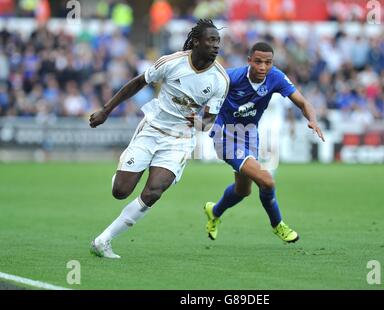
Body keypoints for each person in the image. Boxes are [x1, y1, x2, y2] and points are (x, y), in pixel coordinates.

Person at [89, 19, 229, 258]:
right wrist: (106, 110)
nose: (216, 46)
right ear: (196, 42)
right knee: (120, 191)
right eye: (211, 40)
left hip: (180, 140)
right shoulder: (172, 62)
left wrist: (199, 123)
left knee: (153, 192)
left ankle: (103, 240)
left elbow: (209, 120)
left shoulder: (220, 79)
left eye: (218, 41)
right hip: (152, 129)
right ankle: (125, 172)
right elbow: (137, 83)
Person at [205, 42, 325, 243]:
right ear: (249, 61)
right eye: (258, 62)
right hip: (225, 135)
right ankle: (278, 225)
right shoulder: (231, 77)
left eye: (268, 62)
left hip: (250, 135)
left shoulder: (275, 77)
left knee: (243, 190)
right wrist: (200, 121)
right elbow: (206, 99)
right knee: (267, 180)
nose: (263, 67)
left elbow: (303, 103)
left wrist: (312, 119)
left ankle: (214, 212)